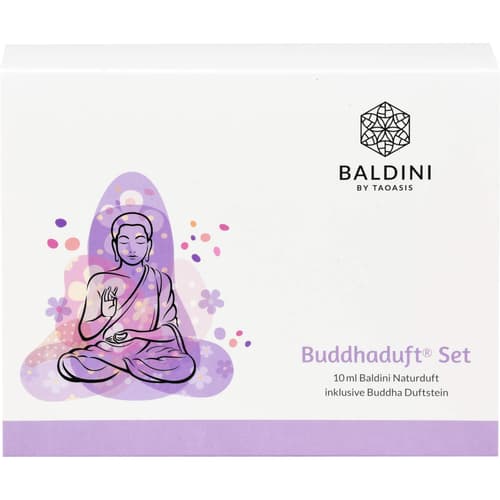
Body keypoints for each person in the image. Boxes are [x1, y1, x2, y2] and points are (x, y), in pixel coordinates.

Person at [57, 212, 196, 384]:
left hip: (150, 352)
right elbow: (85, 334)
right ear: (115, 246)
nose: (132, 248)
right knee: (68, 363)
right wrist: (105, 315)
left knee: (184, 365)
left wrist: (135, 335)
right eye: (124, 241)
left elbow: (169, 330)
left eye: (139, 241)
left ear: (149, 245)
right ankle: (128, 365)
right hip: (109, 350)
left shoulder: (160, 281)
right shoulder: (100, 280)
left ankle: (120, 365)